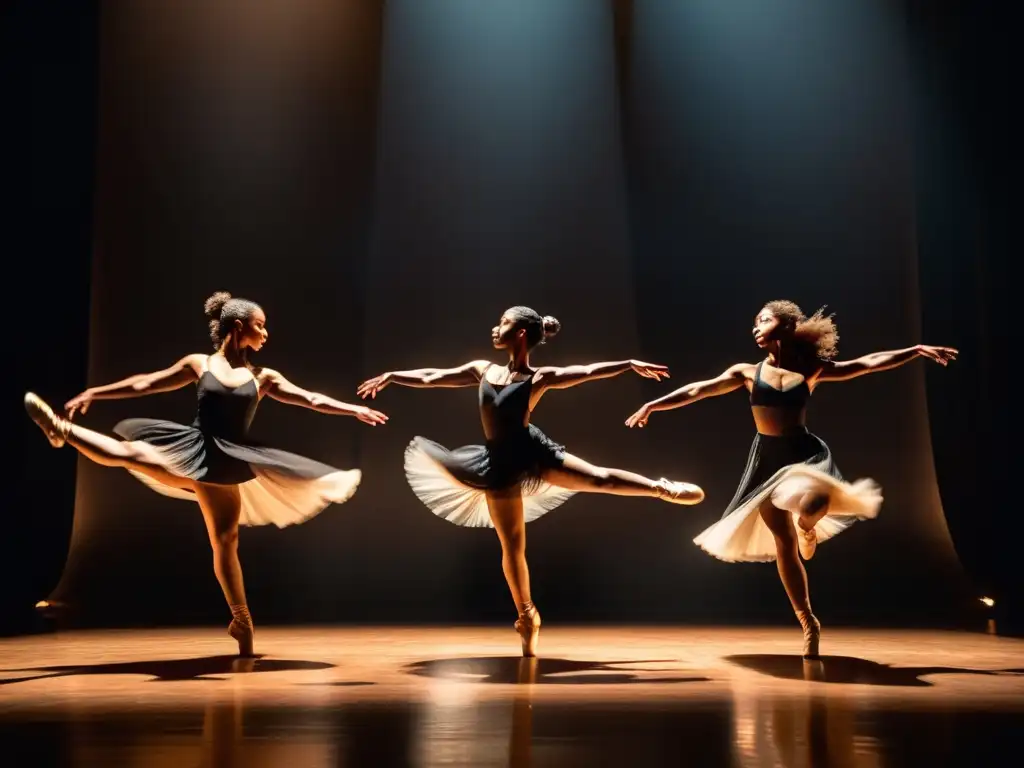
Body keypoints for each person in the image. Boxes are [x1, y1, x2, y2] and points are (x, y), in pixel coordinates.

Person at [24, 291, 388, 656]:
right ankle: (62, 429)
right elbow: (144, 383)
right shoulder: (200, 364)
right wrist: (95, 392)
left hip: (225, 462)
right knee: (129, 452)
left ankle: (241, 620)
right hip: (192, 450)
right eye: (260, 326)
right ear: (239, 326)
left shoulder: (263, 376)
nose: (266, 333)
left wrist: (351, 409)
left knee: (226, 540)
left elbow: (311, 399)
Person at [357, 306, 704, 657]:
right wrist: (393, 375)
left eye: (504, 322)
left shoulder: (539, 378)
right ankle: (527, 617)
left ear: (521, 333)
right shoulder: (483, 369)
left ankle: (662, 488)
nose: (495, 328)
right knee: (512, 547)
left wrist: (627, 364)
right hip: (499, 465)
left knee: (599, 478)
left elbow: (585, 372)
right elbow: (434, 376)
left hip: (533, 452)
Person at [625, 300, 957, 658]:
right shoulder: (746, 372)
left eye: (764, 320)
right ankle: (808, 622)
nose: (756, 327)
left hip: (802, 453)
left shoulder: (812, 369)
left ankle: (809, 527)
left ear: (786, 326)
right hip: (766, 459)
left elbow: (866, 364)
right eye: (755, 322)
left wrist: (914, 350)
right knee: (783, 542)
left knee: (813, 503)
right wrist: (652, 405)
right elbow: (698, 390)